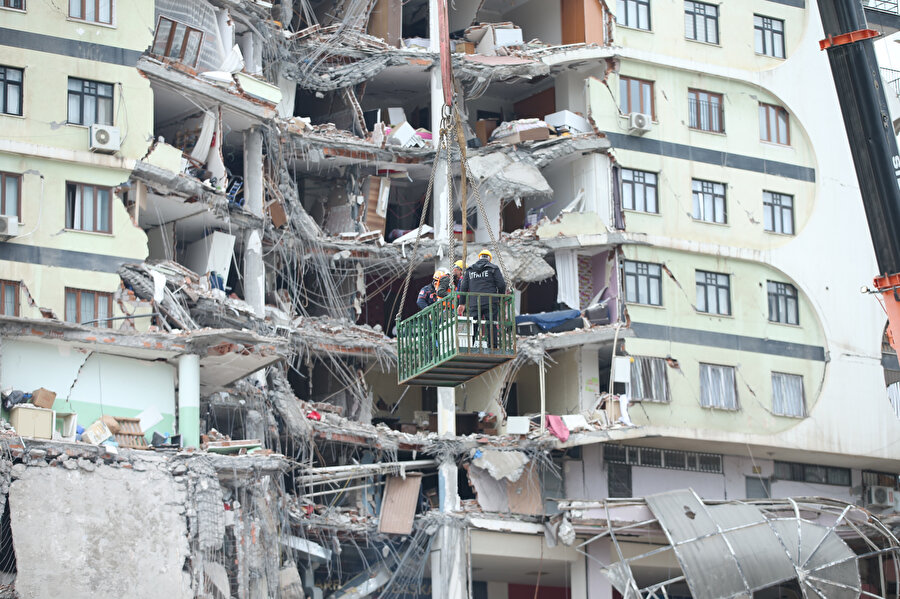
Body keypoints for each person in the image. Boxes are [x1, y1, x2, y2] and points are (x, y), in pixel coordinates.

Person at [458, 249, 506, 347]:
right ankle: (492, 347)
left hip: (474, 303)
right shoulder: (493, 268)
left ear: (479, 257)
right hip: (490, 301)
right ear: (489, 259)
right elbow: (501, 285)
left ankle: (469, 346)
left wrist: (462, 303)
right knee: (491, 323)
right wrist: (500, 298)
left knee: (473, 324)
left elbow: (463, 287)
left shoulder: (470, 270)